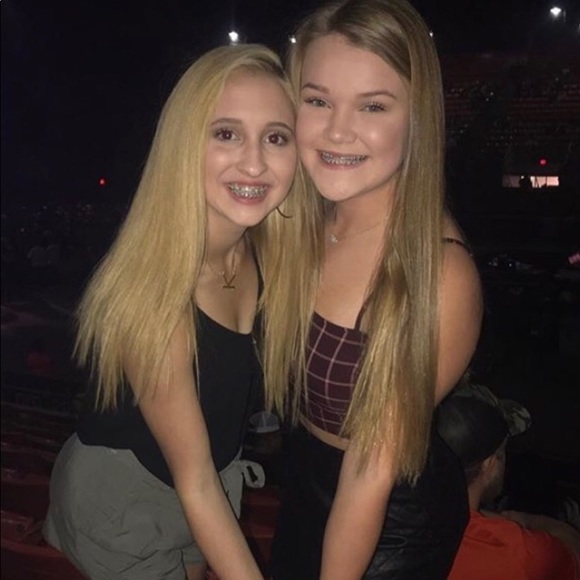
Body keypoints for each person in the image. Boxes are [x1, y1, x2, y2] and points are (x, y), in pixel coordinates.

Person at [42, 43, 305, 580]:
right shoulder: (157, 294)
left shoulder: (265, 253)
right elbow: (195, 482)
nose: (255, 162)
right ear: (184, 145)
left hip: (207, 478)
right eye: (226, 133)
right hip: (125, 499)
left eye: (276, 137)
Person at [261, 0, 484, 578]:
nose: (337, 130)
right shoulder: (303, 223)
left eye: (373, 106)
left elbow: (369, 472)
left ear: (417, 118)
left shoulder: (440, 274)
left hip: (390, 523)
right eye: (317, 101)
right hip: (305, 482)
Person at [437, 383, 580, 579]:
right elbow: (572, 552)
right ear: (489, 464)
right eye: (502, 451)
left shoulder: (401, 514)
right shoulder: (518, 553)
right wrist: (525, 520)